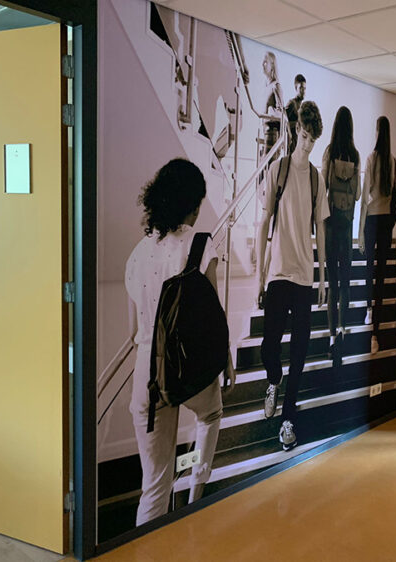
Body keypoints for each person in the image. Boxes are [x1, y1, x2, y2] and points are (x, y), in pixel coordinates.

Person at [125, 159, 235, 526]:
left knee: (154, 487)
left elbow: (133, 331)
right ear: (191, 204)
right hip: (189, 366)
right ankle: (193, 499)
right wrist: (225, 358)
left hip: (147, 374)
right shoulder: (200, 245)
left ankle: (147, 545)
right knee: (211, 414)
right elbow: (215, 315)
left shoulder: (136, 255)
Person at [256, 101, 328, 451]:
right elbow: (263, 223)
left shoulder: (316, 178)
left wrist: (322, 274)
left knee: (299, 352)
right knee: (269, 346)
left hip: (303, 276)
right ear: (297, 130)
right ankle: (274, 378)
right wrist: (259, 276)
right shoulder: (279, 170)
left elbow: (321, 229)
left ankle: (288, 419)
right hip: (278, 272)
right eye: (305, 135)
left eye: (313, 139)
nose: (308, 144)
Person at [321, 106, 360, 366]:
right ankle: (344, 331)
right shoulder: (355, 155)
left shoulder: (330, 151)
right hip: (347, 225)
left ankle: (331, 337)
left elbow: (323, 185)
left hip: (331, 224)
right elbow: (357, 195)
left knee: (332, 284)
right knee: (345, 283)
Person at [359, 116, 396, 355]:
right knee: (381, 274)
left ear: (376, 132)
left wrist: (360, 230)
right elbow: (393, 191)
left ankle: (368, 309)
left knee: (368, 269)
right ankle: (376, 334)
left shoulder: (371, 159)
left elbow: (365, 197)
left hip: (372, 219)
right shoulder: (391, 161)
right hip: (385, 222)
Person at [262, 51, 283, 161]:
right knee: (264, 165)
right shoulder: (267, 86)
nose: (263, 64)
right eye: (263, 62)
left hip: (273, 133)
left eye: (266, 62)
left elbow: (281, 113)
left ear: (272, 65)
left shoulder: (276, 86)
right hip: (266, 132)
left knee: (267, 166)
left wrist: (270, 111)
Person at [285, 74, 306, 154]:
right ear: (296, 88)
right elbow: (283, 122)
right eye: (301, 88)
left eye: (304, 88)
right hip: (291, 146)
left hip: (299, 146)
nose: (303, 91)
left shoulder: (303, 106)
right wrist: (296, 124)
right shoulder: (291, 103)